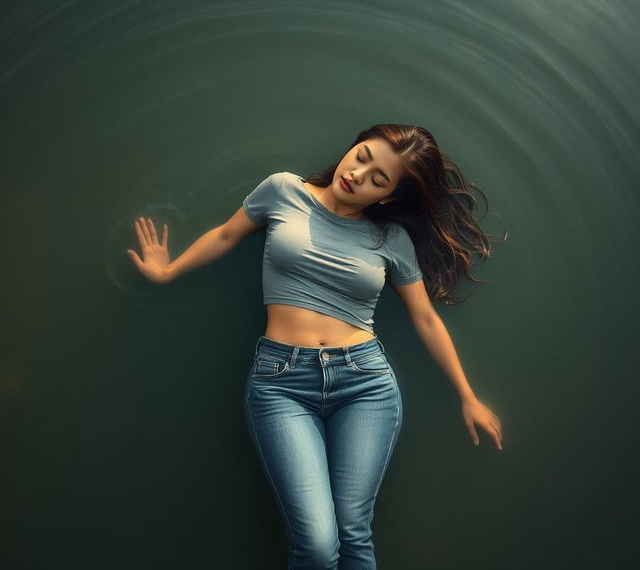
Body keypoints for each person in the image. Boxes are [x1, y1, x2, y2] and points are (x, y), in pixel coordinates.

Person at [127, 123, 504, 569]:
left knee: (353, 535)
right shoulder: (282, 190)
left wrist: (467, 395)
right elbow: (228, 235)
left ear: (385, 197)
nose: (358, 174)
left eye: (378, 179)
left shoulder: (391, 241)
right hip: (281, 384)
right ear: (353, 147)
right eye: (362, 156)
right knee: (318, 545)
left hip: (365, 385)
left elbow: (425, 318)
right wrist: (168, 271)